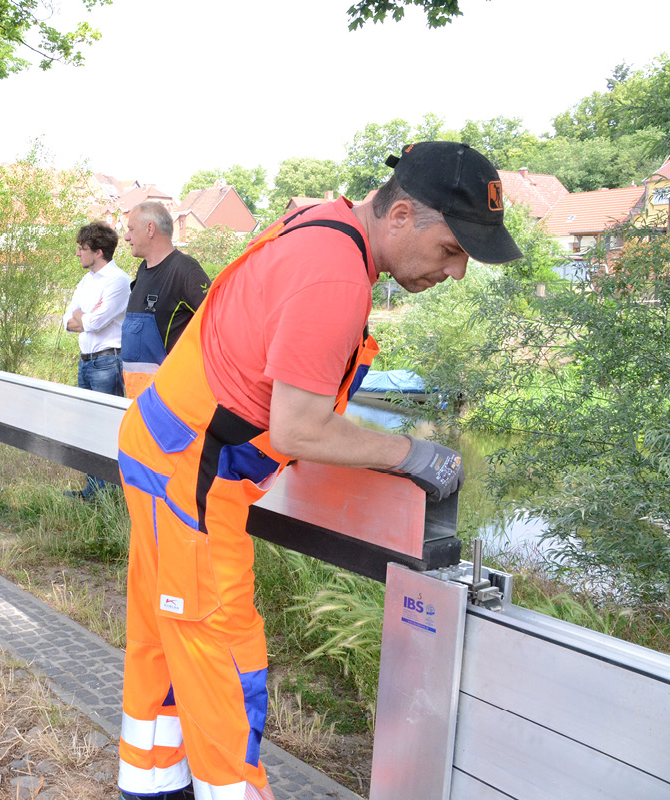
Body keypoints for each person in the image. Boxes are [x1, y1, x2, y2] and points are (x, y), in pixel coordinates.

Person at [115, 142, 521, 800]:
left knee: (167, 640)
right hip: (192, 474)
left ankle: (156, 787)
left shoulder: (319, 223)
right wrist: (412, 454)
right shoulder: (335, 276)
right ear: (401, 217)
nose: (456, 273)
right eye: (452, 250)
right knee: (223, 656)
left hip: (164, 450)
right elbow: (297, 427)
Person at [63, 221, 130, 501]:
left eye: (83, 249)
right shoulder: (86, 280)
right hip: (86, 361)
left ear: (99, 252)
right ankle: (94, 490)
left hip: (107, 363)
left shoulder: (118, 281)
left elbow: (95, 321)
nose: (78, 254)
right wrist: (81, 320)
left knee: (107, 427)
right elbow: (67, 319)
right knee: (89, 426)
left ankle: (109, 494)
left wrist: (83, 319)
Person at [120, 201, 212, 398]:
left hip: (169, 400)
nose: (127, 237)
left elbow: (217, 326)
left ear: (150, 229)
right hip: (137, 397)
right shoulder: (143, 271)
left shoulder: (186, 271)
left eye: (131, 229)